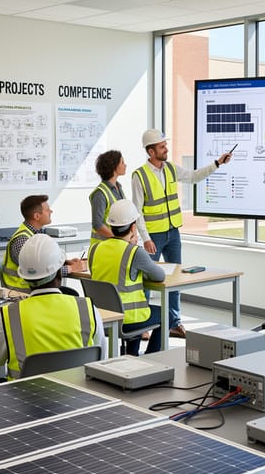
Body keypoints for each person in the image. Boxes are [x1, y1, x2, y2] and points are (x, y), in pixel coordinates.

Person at [131, 129, 233, 338]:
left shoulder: (170, 169)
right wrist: (146, 238)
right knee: (147, 281)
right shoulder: (139, 175)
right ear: (151, 151)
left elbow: (194, 176)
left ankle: (174, 323)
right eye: (161, 146)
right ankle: (142, 324)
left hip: (173, 233)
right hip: (154, 237)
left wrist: (217, 163)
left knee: (175, 279)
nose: (166, 148)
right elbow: (137, 210)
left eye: (165, 145)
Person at [0, 234, 106, 379]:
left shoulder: (9, 315)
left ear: (24, 277)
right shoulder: (87, 308)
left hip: (23, 398)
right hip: (79, 395)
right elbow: (101, 356)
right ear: (59, 272)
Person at [89, 199, 163, 355]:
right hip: (128, 319)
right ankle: (150, 360)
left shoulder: (94, 249)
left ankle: (132, 356)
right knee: (166, 314)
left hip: (102, 317)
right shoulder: (135, 252)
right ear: (133, 227)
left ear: (110, 226)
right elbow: (159, 276)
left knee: (138, 311)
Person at [2, 195, 84, 293]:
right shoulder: (22, 240)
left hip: (34, 289)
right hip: (21, 293)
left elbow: (41, 265)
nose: (51, 212)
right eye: (48, 210)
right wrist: (71, 268)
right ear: (37, 216)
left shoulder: (35, 234)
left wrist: (64, 262)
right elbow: (37, 274)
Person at [89, 149, 127, 248]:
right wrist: (118, 238)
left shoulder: (119, 188)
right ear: (114, 167)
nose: (125, 165)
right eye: (122, 162)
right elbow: (97, 225)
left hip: (117, 245)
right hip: (103, 248)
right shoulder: (100, 194)